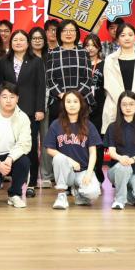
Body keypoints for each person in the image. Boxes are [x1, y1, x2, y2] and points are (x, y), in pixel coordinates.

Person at [0, 30, 45, 197]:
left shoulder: (36, 61)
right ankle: (13, 179)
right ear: (10, 43)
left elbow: (41, 86)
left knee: (30, 147)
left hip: (30, 110)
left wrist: (40, 109)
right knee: (9, 143)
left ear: (27, 42)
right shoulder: (3, 61)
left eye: (22, 40)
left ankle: (32, 183)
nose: (18, 42)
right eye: (15, 40)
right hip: (7, 110)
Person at [43, 20, 91, 186]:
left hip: (80, 103)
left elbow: (88, 79)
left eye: (72, 30)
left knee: (80, 138)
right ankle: (61, 178)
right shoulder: (53, 53)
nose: (68, 33)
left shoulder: (83, 52)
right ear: (59, 34)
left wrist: (75, 97)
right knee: (60, 139)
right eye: (65, 30)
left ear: (77, 33)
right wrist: (63, 96)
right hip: (59, 102)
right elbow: (50, 79)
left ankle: (82, 172)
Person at [44, 90, 102, 209]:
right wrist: (70, 161)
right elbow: (50, 150)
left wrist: (89, 173)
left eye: (75, 101)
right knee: (59, 158)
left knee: (93, 193)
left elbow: (93, 153)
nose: (72, 105)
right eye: (68, 101)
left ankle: (79, 193)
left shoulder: (89, 125)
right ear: (63, 104)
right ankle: (61, 195)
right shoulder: (56, 124)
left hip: (83, 171)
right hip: (66, 172)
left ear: (81, 104)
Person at [101, 22, 135, 135]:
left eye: (130, 35)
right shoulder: (110, 59)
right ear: (117, 38)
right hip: (116, 106)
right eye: (123, 35)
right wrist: (126, 104)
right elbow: (110, 85)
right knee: (117, 140)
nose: (127, 38)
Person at [105, 91, 135, 210]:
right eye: (124, 104)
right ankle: (119, 200)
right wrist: (121, 158)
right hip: (118, 169)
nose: (128, 107)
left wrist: (132, 160)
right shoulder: (112, 127)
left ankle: (125, 191)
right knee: (124, 167)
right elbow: (111, 151)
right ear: (119, 106)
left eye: (131, 104)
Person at [82, 33, 107, 184]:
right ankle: (85, 171)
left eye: (93, 45)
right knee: (82, 140)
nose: (90, 48)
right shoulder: (80, 63)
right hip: (82, 108)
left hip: (99, 108)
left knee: (97, 142)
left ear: (99, 47)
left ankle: (97, 171)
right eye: (87, 45)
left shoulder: (105, 64)